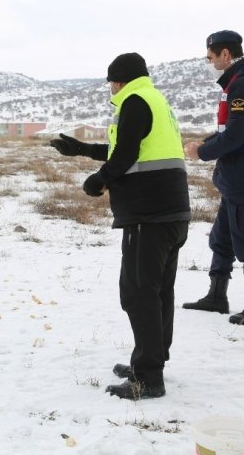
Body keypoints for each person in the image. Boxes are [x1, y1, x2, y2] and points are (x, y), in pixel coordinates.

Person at [50, 52, 190, 400]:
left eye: (112, 81)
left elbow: (124, 155)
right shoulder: (154, 100)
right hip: (171, 212)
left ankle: (148, 377)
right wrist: (80, 148)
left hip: (149, 214)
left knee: (138, 293)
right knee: (158, 291)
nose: (111, 87)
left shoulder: (134, 101)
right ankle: (151, 360)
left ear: (121, 80)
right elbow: (128, 147)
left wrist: (99, 180)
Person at [183, 30, 244, 326]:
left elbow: (237, 136)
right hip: (238, 173)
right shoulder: (242, 79)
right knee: (223, 237)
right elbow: (232, 131)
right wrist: (205, 143)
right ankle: (217, 296)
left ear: (225, 55)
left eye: (210, 57)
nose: (209, 62)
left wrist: (201, 152)